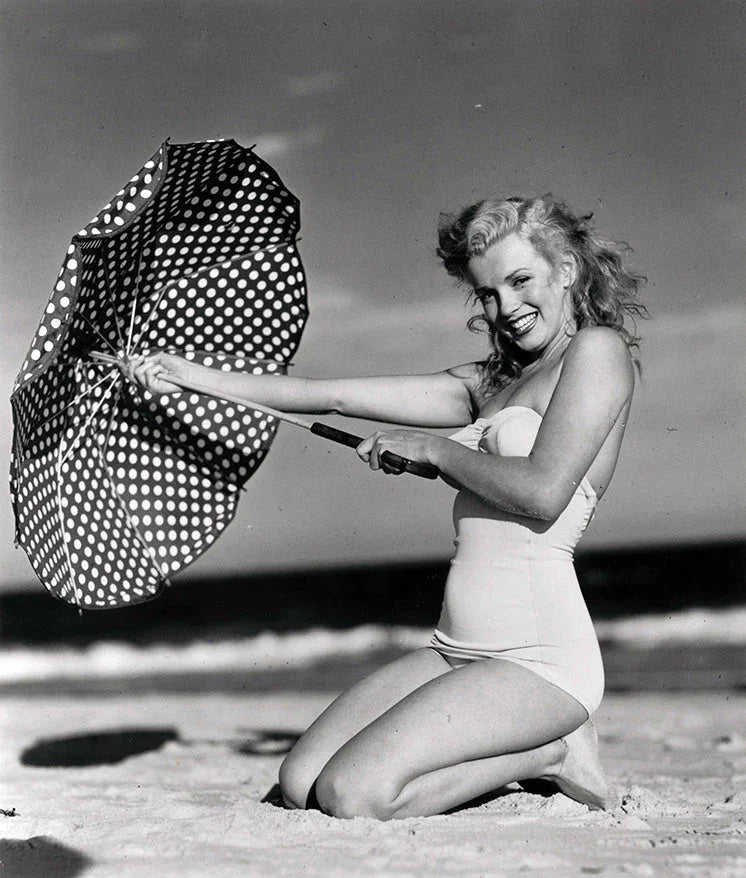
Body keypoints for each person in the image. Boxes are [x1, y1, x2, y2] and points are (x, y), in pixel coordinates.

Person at [126, 194, 646, 820]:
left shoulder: (596, 352)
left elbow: (541, 491)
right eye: (487, 293)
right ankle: (532, 748)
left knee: (354, 794)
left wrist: (432, 450)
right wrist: (189, 376)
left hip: (540, 658)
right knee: (300, 782)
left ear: (565, 268)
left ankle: (553, 751)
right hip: (456, 646)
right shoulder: (487, 385)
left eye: (520, 281)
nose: (506, 307)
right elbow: (331, 396)